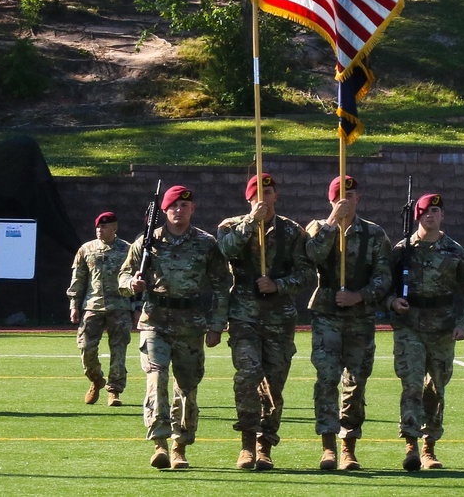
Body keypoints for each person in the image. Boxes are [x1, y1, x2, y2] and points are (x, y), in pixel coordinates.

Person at [118, 185, 229, 470]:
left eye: (184, 206)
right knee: (156, 377)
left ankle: (181, 444)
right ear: (164, 211)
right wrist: (132, 284)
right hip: (155, 319)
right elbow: (123, 274)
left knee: (188, 387)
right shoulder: (147, 242)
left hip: (191, 323)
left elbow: (221, 284)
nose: (178, 211)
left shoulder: (206, 243)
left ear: (193, 209)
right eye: (173, 207)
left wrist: (217, 324)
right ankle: (160, 443)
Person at [216, 173, 314, 471]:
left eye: (268, 192)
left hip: (279, 317)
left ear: (276, 195)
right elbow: (225, 251)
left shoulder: (291, 231)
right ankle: (246, 444)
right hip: (244, 314)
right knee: (247, 375)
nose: (263, 198)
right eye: (257, 194)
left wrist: (280, 284)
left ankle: (265, 445)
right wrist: (250, 223)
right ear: (248, 199)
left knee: (274, 382)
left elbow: (308, 273)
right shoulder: (230, 226)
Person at [388, 193, 464, 471]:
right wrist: (392, 302)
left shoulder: (455, 252)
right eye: (425, 211)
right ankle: (411, 446)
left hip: (442, 329)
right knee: (412, 385)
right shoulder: (402, 251)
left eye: (436, 210)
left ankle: (430, 446)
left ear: (443, 215)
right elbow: (382, 287)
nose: (430, 215)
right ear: (417, 216)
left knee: (435, 388)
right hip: (410, 327)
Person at [304, 175, 392, 471]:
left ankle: (348, 445)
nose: (346, 200)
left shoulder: (374, 234)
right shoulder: (318, 229)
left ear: (359, 198)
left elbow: (384, 277)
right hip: (327, 315)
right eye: (340, 196)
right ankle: (328, 445)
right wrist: (331, 222)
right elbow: (313, 255)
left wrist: (359, 296)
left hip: (359, 317)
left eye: (351, 195)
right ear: (331, 200)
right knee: (327, 379)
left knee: (355, 382)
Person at [67, 211, 133, 406]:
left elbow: (138, 278)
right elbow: (78, 278)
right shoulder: (86, 249)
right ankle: (96, 379)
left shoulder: (127, 249)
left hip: (120, 306)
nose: (99, 230)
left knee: (118, 350)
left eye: (104, 226)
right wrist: (74, 304)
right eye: (97, 227)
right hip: (92, 305)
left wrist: (137, 306)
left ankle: (114, 390)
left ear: (115, 228)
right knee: (86, 347)